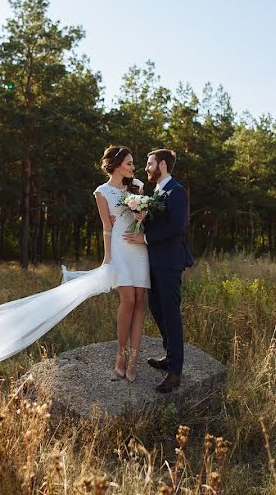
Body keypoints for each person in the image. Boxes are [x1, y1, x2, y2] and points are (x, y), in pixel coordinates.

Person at [123, 149, 193, 393]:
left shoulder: (177, 191)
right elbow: (160, 221)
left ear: (162, 165)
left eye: (150, 163)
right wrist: (142, 216)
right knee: (157, 308)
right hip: (153, 262)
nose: (146, 168)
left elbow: (177, 226)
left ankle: (175, 372)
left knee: (171, 314)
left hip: (170, 262)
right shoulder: (156, 192)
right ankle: (170, 356)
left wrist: (146, 238)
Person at [93, 145, 151, 382]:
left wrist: (142, 217)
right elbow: (107, 226)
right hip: (118, 249)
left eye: (133, 164)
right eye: (129, 163)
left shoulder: (137, 186)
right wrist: (107, 257)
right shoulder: (101, 192)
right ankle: (121, 355)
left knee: (139, 303)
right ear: (116, 165)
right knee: (127, 299)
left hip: (139, 248)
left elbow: (146, 221)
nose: (133, 167)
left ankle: (134, 360)